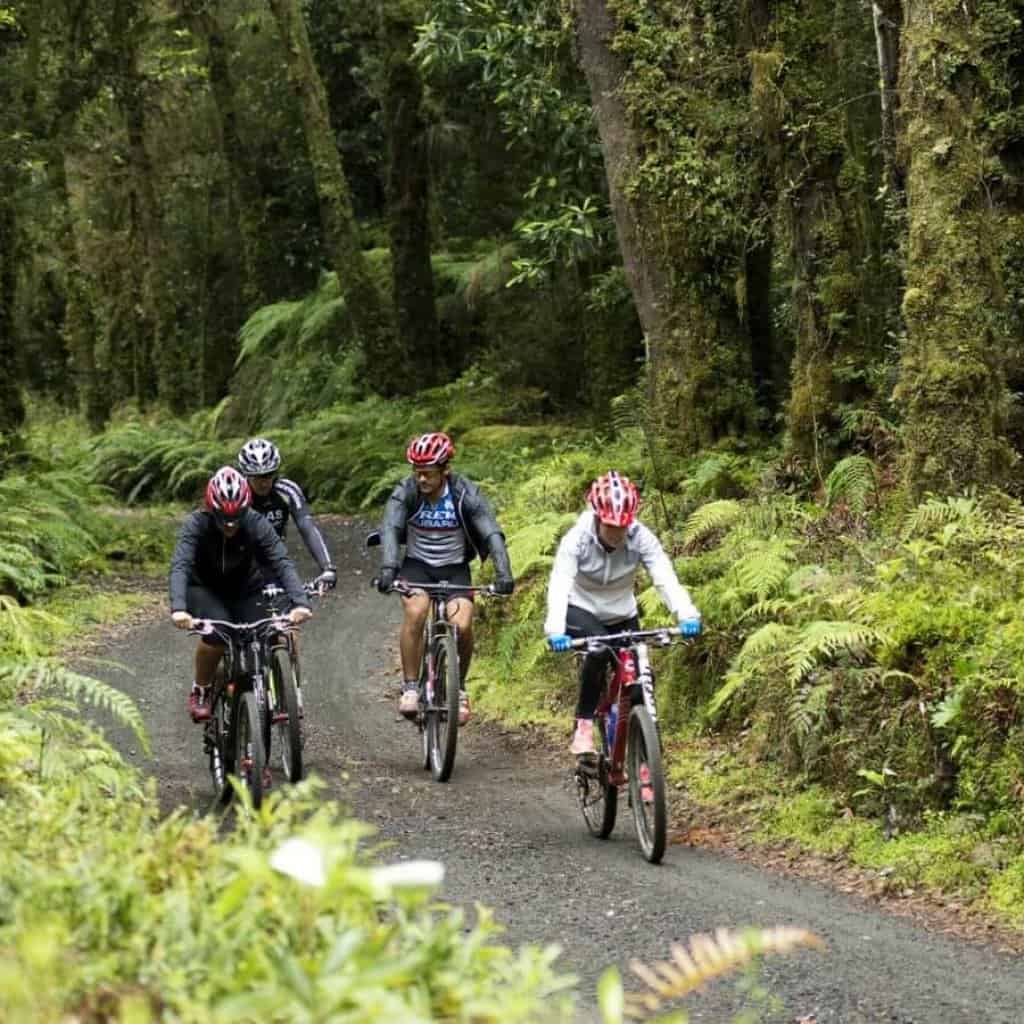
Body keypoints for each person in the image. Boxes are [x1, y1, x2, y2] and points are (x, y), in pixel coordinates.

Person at [543, 470, 701, 757]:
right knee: (599, 649)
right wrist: (555, 630)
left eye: (623, 526)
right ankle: (585, 725)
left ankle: (644, 759)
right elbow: (560, 583)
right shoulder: (576, 538)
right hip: (581, 609)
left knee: (639, 682)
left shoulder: (641, 537)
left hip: (622, 612)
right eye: (610, 526)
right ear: (598, 517)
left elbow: (663, 576)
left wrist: (687, 614)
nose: (617, 534)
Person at [376, 431, 515, 724]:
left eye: (427, 473)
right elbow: (390, 526)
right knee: (416, 611)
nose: (421, 479)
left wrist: (504, 573)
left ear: (445, 471)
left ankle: (459, 688)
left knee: (462, 624)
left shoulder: (464, 493)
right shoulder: (407, 491)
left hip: (454, 569)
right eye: (417, 472)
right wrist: (389, 568)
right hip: (417, 566)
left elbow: (491, 532)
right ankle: (411, 687)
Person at [169, 466, 313, 723]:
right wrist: (179, 608)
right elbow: (181, 565)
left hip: (245, 587)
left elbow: (280, 560)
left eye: (237, 518)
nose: (230, 526)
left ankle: (274, 694)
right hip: (204, 589)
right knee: (216, 635)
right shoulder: (196, 524)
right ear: (212, 510)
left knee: (271, 629)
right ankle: (201, 689)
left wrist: (299, 602)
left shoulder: (256, 522)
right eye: (224, 519)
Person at [237, 437, 336, 592]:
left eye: (268, 475)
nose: (264, 482)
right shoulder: (237, 493)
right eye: (257, 477)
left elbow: (307, 528)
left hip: (274, 561)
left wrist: (327, 568)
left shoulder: (287, 491)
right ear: (247, 475)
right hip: (240, 563)